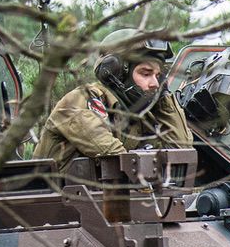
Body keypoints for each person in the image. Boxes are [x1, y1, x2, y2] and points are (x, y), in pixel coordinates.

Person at [37, 29, 193, 166]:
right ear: (117, 72)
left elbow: (182, 153)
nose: (155, 83)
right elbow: (115, 157)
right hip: (55, 190)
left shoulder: (138, 115)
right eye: (146, 74)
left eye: (158, 76)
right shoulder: (80, 100)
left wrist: (163, 97)